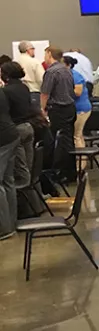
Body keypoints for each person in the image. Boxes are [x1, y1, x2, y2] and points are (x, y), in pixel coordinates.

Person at [41, 46, 77, 180]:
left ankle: (61, 173)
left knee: (59, 141)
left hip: (58, 109)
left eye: (45, 54)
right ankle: (71, 172)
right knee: (68, 140)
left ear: (49, 54)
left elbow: (45, 93)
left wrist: (42, 110)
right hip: (70, 107)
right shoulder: (66, 70)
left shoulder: (51, 72)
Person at [1, 62, 38, 188]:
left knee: (20, 169)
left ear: (5, 75)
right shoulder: (24, 87)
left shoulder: (6, 91)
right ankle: (33, 201)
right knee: (29, 165)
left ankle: (22, 197)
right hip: (28, 126)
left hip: (16, 129)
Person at [0, 85, 18, 240]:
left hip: (2, 139)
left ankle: (4, 228)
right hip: (10, 134)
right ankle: (11, 223)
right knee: (7, 181)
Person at [63, 55, 92, 152]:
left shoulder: (75, 76)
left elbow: (78, 92)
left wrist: (63, 91)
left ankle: (80, 164)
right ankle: (81, 162)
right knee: (79, 135)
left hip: (81, 109)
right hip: (77, 108)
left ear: (68, 65)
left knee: (76, 136)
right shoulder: (69, 75)